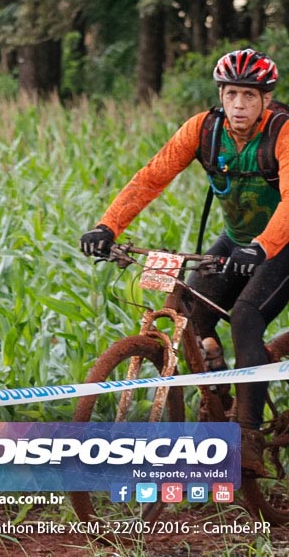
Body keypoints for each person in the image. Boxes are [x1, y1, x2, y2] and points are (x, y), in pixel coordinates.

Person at [79, 48, 288, 478]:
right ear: (221, 95)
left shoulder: (282, 134)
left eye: (250, 96)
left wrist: (264, 247)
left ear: (267, 100)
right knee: (189, 311)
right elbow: (151, 176)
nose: (239, 106)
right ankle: (221, 394)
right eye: (232, 95)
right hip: (237, 240)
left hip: (280, 245)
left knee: (246, 318)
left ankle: (247, 436)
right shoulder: (204, 129)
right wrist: (108, 227)